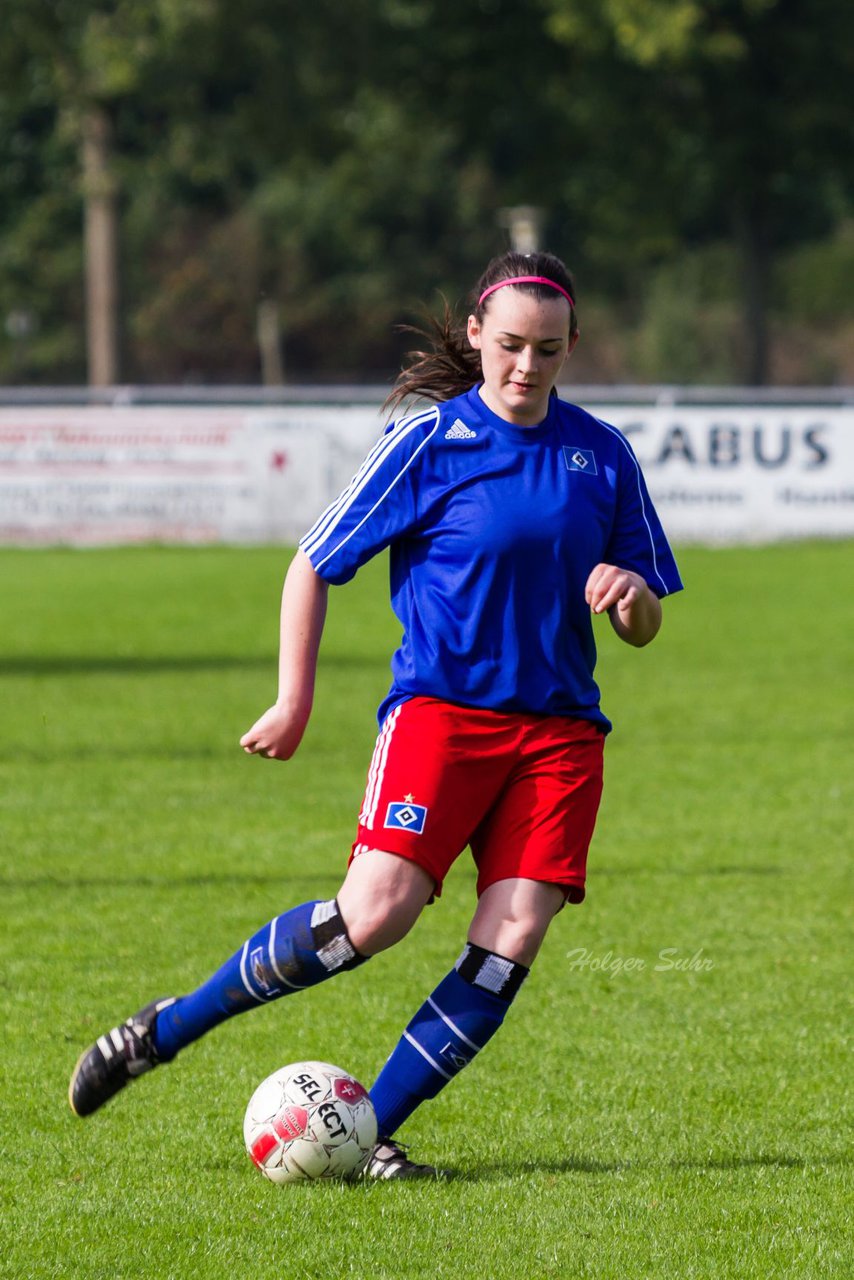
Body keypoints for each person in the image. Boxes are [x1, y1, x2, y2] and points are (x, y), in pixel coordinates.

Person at [69, 250, 683, 1178]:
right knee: (374, 916)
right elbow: (312, 564)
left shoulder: (603, 453)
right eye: (510, 345)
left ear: (572, 348)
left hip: (559, 736)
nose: (526, 367)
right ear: (477, 335)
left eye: (547, 351)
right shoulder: (431, 444)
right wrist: (293, 698)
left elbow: (644, 622)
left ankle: (366, 1138)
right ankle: (161, 1031)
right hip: (443, 717)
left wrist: (629, 594)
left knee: (511, 938)